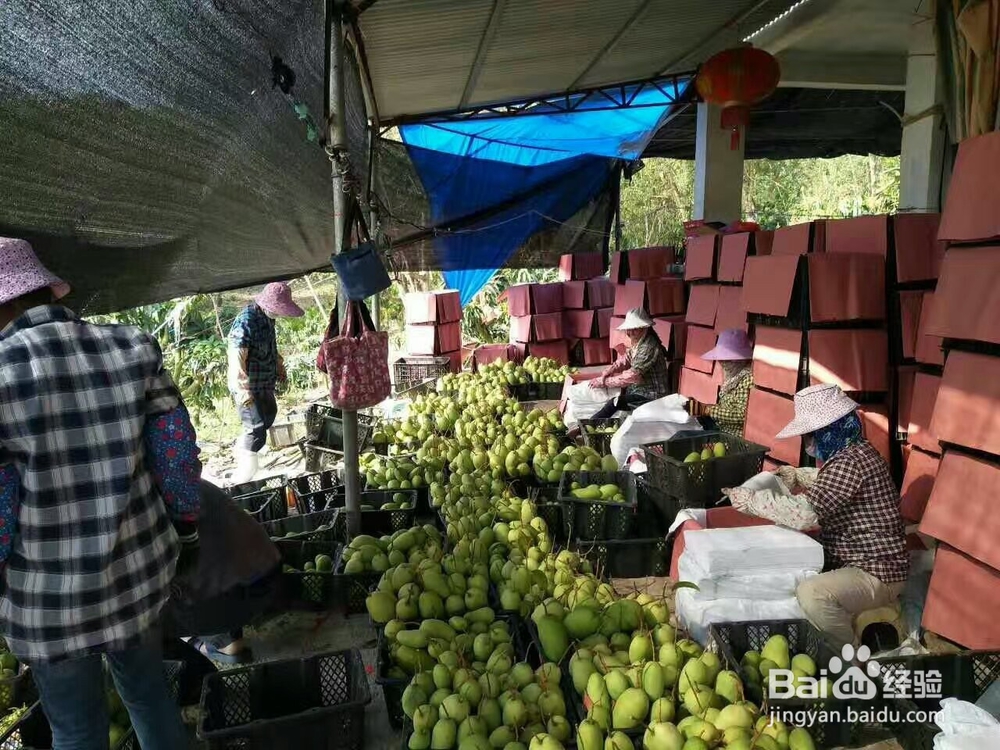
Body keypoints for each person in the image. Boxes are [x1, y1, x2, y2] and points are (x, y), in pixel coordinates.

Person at [0, 237, 201, 750]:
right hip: (137, 579)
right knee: (150, 700)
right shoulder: (132, 345)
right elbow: (175, 453)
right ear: (46, 292)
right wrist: (186, 526)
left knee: (76, 730)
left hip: (49, 604)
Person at [724, 384, 909, 649]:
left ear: (828, 432)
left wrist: (753, 501)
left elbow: (804, 514)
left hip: (876, 570)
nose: (808, 443)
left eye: (811, 436)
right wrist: (797, 475)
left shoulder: (850, 462)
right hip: (856, 560)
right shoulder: (853, 453)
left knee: (812, 594)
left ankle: (849, 654)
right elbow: (831, 484)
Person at [227, 282, 304, 484]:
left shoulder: (269, 321)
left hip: (265, 383)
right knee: (256, 428)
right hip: (248, 386)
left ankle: (243, 450)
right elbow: (237, 356)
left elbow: (271, 345)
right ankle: (242, 477)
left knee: (269, 416)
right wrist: (243, 390)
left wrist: (279, 366)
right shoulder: (247, 321)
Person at [587, 308, 673, 420]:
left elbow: (631, 376)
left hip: (651, 395)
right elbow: (626, 359)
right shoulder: (638, 342)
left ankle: (588, 424)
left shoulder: (649, 347)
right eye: (628, 329)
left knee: (615, 402)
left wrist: (604, 382)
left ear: (644, 328)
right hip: (638, 390)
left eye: (634, 330)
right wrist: (611, 370)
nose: (629, 333)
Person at [699, 328, 754, 436]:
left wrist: (709, 410)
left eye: (728, 359)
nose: (723, 363)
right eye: (721, 359)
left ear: (741, 359)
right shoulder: (733, 377)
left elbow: (742, 415)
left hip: (731, 435)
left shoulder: (747, 379)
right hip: (721, 426)